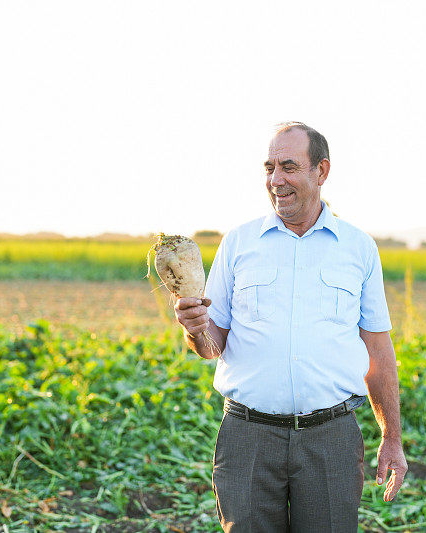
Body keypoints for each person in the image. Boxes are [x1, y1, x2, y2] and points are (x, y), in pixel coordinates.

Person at [173, 122, 407, 532]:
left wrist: (392, 438)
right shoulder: (239, 243)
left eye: (288, 167)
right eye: (269, 168)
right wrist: (195, 330)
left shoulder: (358, 248)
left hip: (330, 439)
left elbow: (378, 351)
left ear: (322, 171)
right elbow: (213, 344)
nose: (275, 180)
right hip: (248, 437)